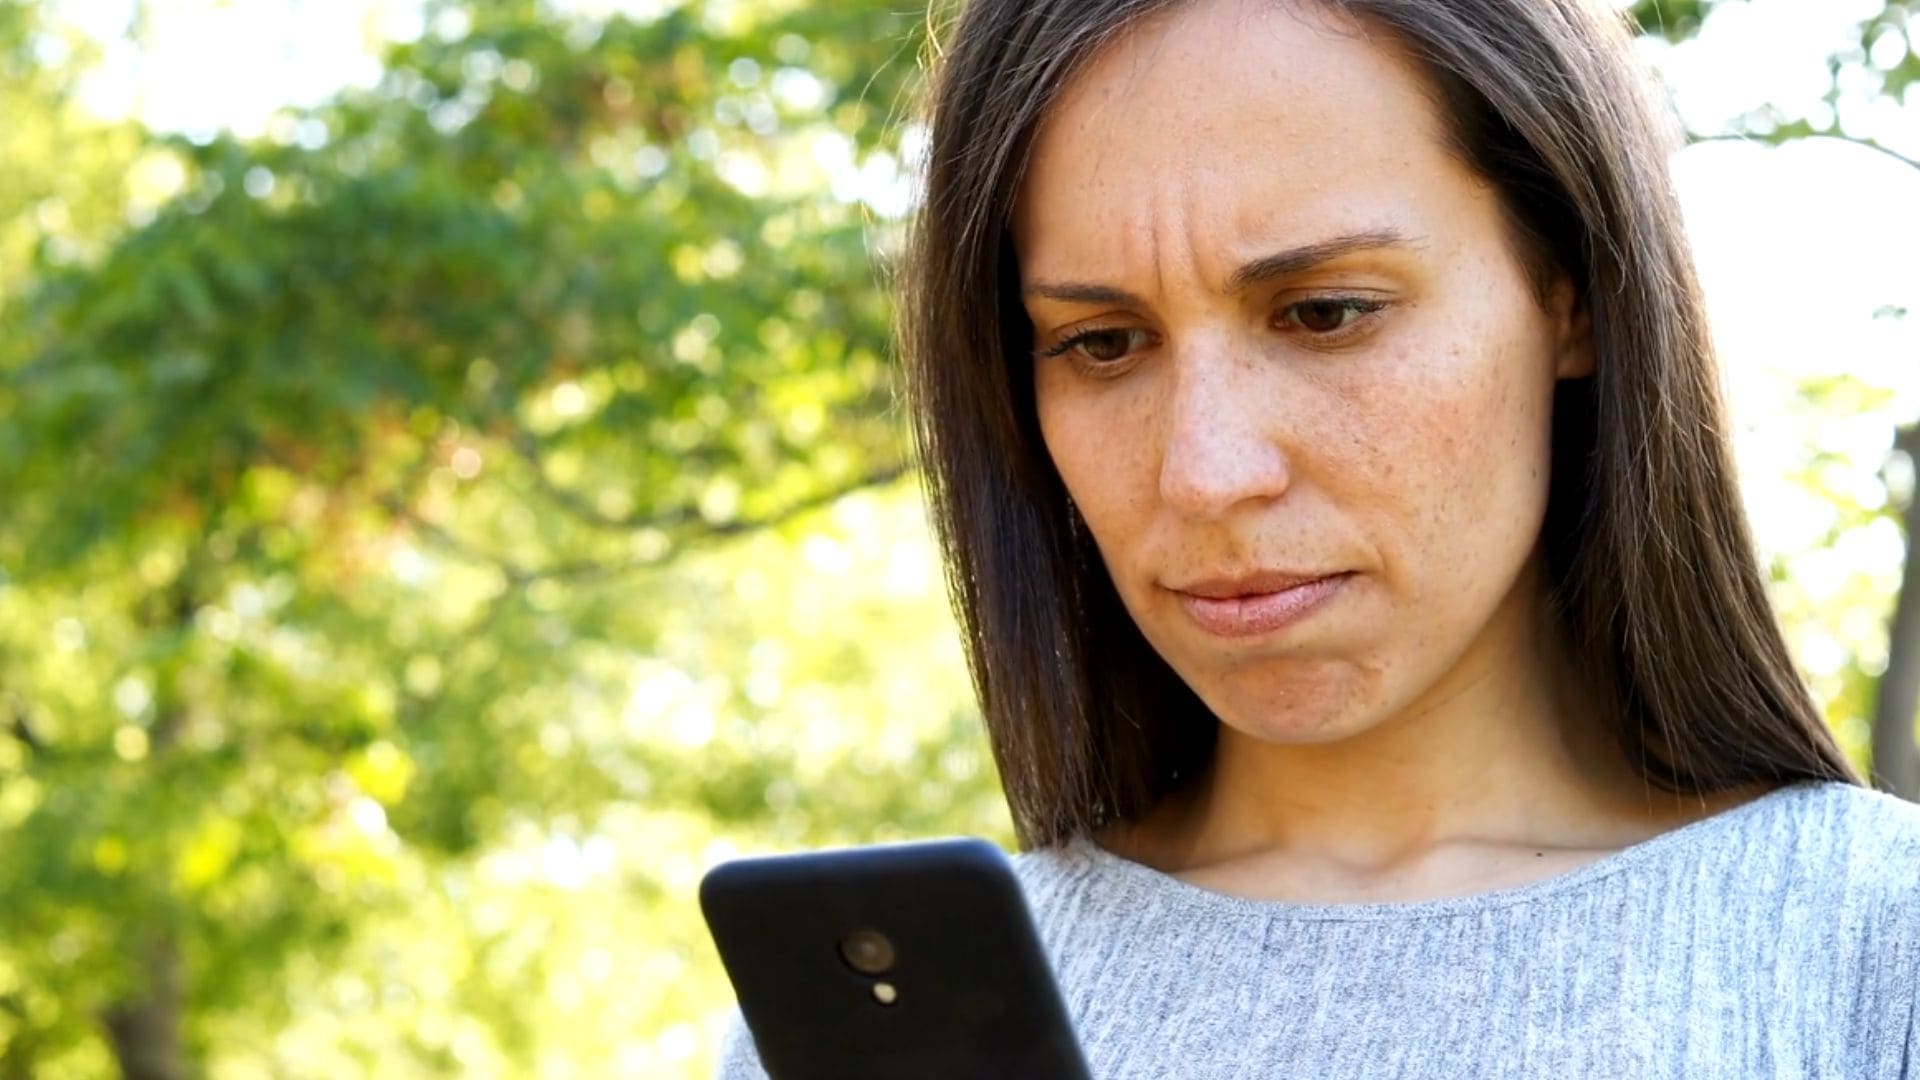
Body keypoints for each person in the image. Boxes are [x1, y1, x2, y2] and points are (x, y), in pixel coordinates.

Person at [718, 0, 1920, 1074]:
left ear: (1573, 293)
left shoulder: (1876, 950)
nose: (1207, 473)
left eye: (1325, 313)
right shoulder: (863, 1023)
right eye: (1102, 343)